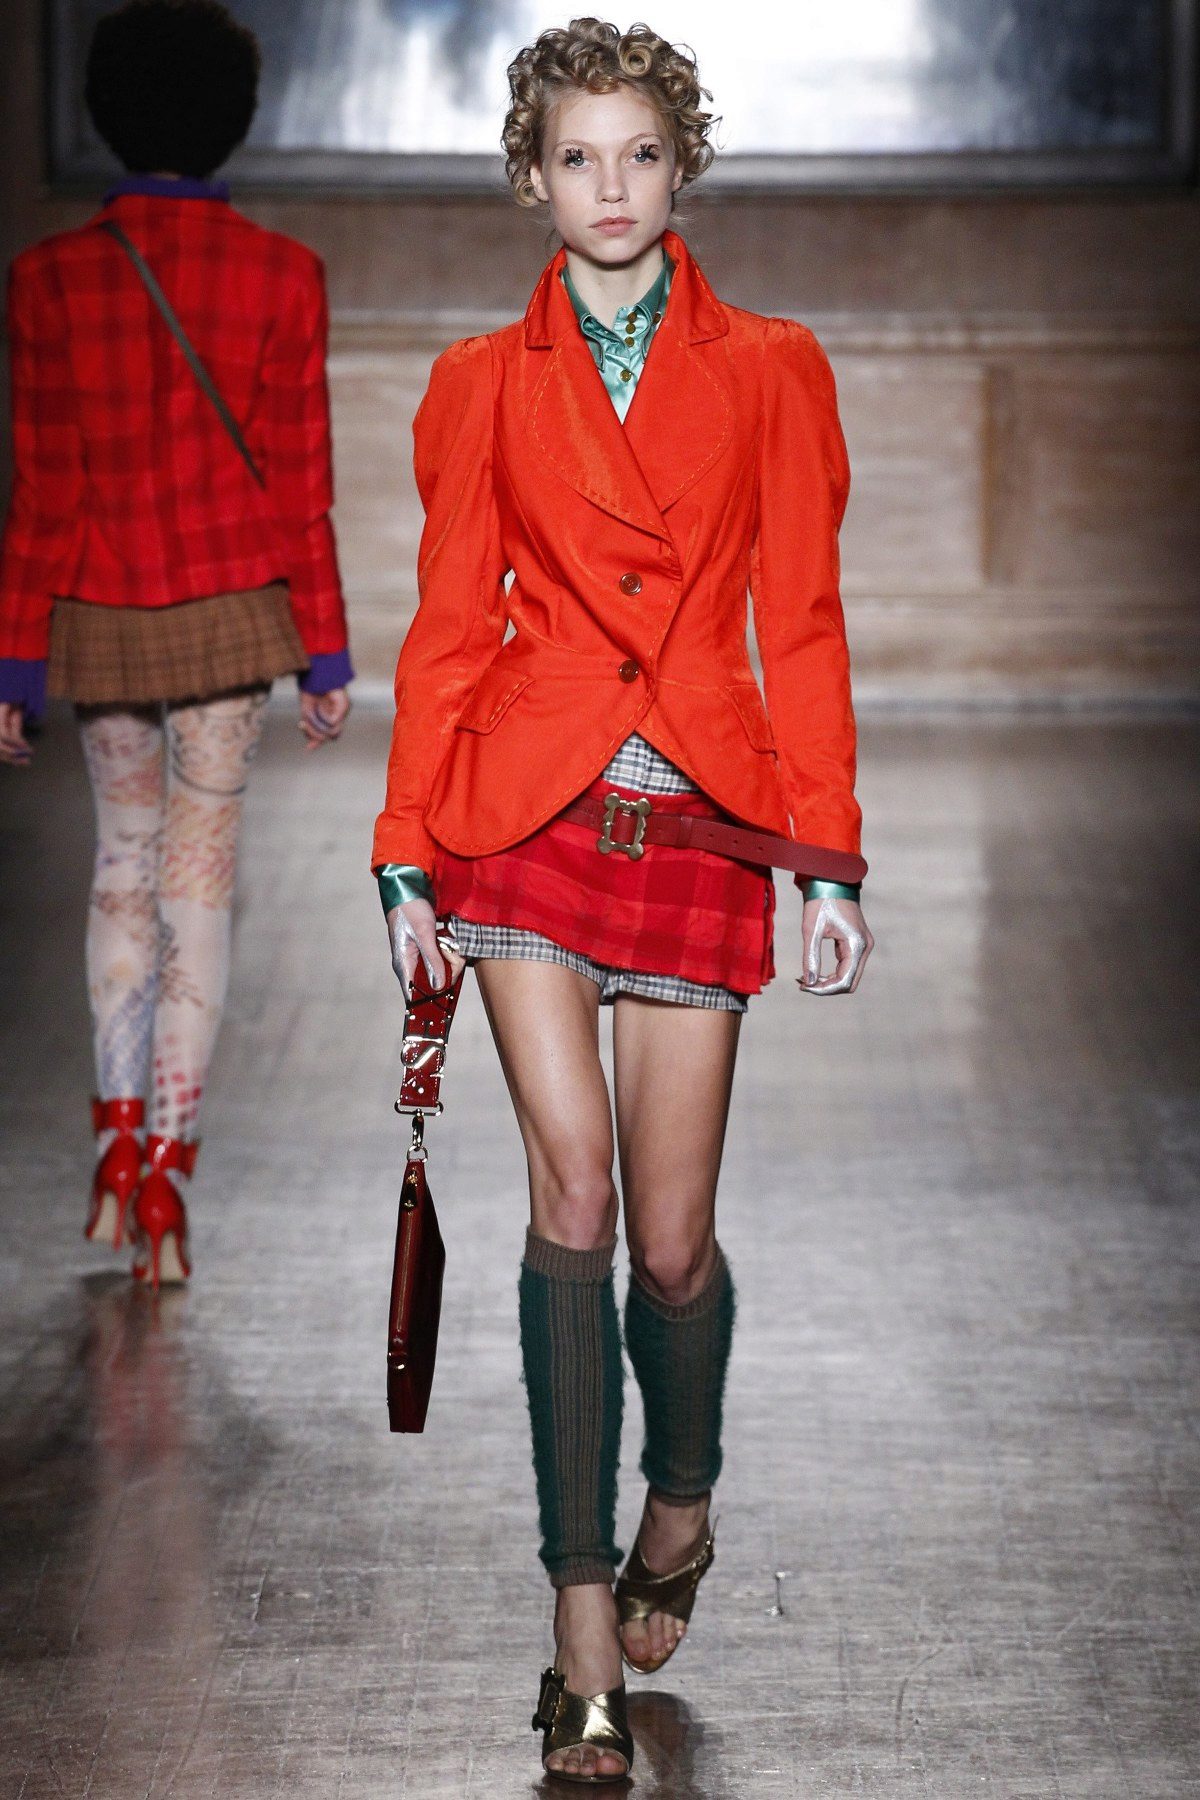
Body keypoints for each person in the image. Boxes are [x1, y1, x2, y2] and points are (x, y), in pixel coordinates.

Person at [373, 16, 873, 1782]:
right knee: (571, 1199)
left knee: (670, 1243)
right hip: (527, 818)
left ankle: (682, 1490)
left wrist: (828, 854)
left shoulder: (775, 368)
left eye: (641, 155)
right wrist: (406, 851)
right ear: (532, 177)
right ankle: (579, 1618)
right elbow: (449, 628)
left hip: (705, 823)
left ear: (683, 168)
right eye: (576, 157)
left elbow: (800, 622)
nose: (611, 187)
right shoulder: (480, 381)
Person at [0, 0, 353, 1289]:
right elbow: (301, 487)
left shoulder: (47, 278)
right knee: (198, 889)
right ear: (235, 120)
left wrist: (16, 661)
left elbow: (40, 492)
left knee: (122, 866)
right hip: (230, 613)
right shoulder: (284, 274)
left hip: (100, 611)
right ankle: (166, 1176)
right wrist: (323, 652)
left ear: (106, 117)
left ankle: (111, 1148)